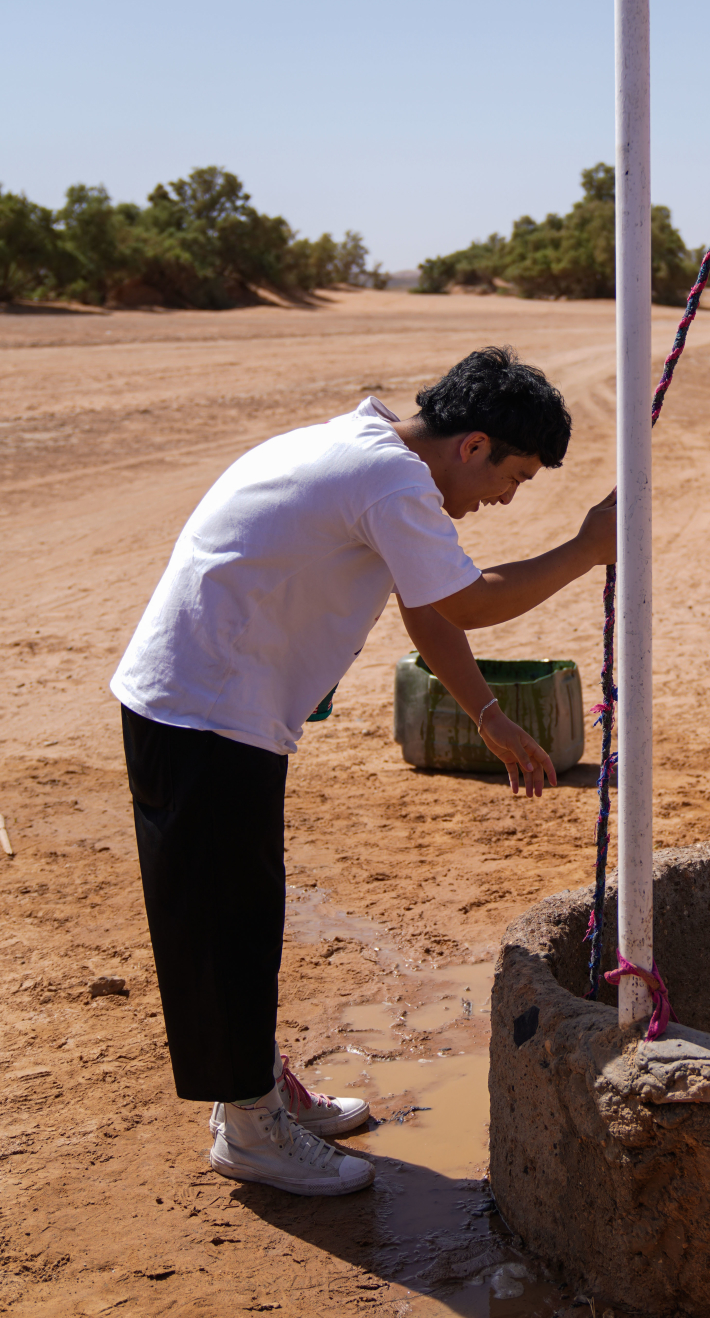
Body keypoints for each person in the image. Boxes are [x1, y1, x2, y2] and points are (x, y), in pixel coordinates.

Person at [111, 346, 614, 1198]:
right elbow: (468, 602)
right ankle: (249, 1130)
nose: (504, 498)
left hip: (208, 702)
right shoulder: (388, 479)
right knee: (225, 921)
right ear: (474, 444)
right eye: (515, 477)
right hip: (202, 710)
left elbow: (429, 610)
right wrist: (586, 548)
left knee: (239, 908)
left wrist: (488, 715)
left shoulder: (365, 450)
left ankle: (260, 1090)